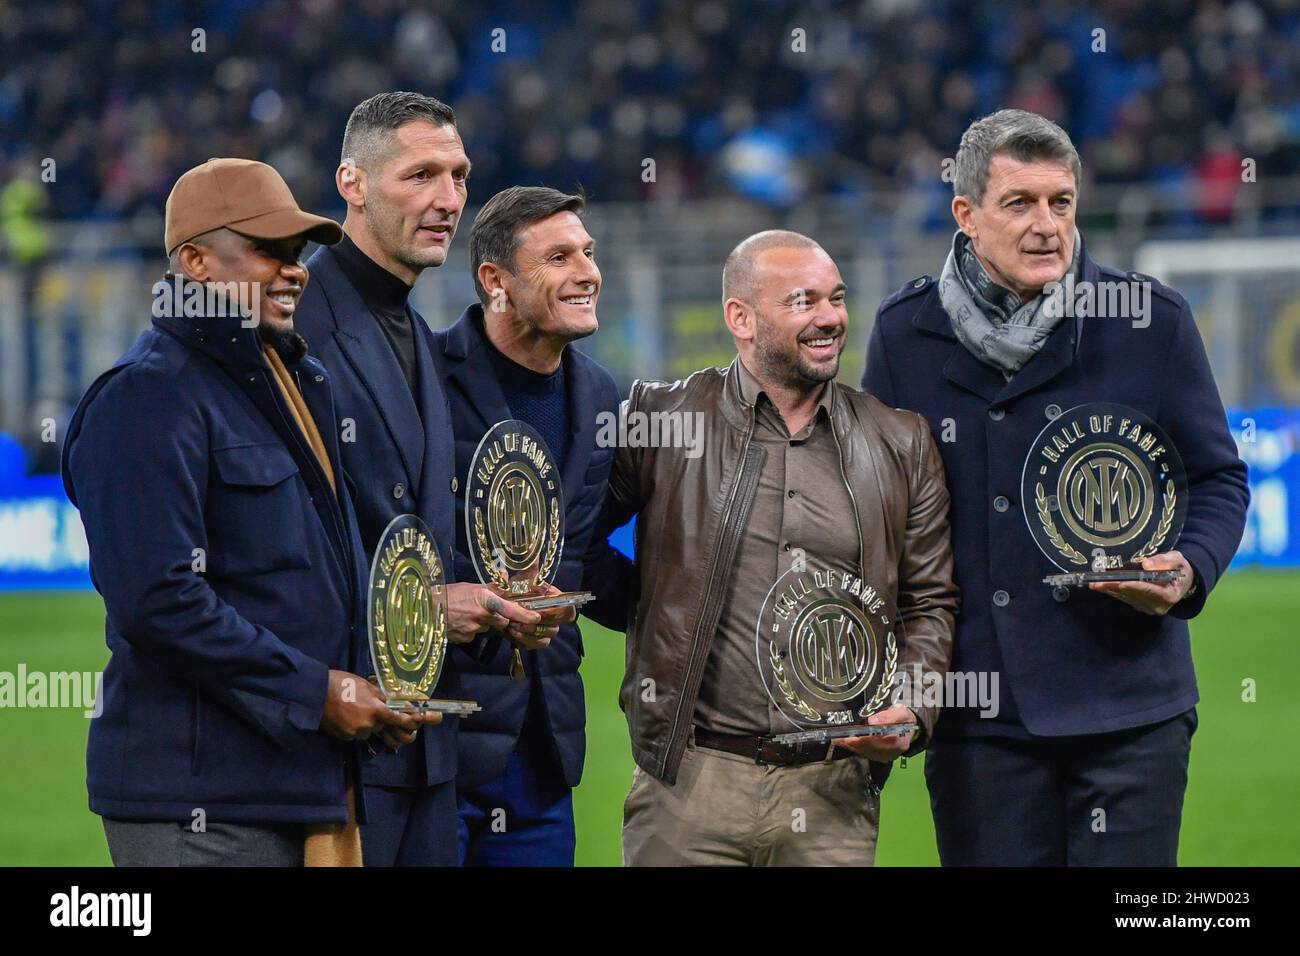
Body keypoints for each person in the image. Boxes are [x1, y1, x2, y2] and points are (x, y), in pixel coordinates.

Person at [862, 109, 1250, 865]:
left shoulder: (1149, 321)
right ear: (966, 215)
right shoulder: (905, 333)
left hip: (1132, 711)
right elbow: (880, 516)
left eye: (1061, 202)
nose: (1047, 226)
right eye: (1020, 204)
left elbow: (1217, 478)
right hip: (981, 719)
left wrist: (1192, 567)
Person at [62, 158, 430, 867]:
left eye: (298, 254)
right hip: (199, 805)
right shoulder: (147, 396)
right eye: (269, 251)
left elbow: (319, 578)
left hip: (300, 783)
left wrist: (367, 685)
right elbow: (159, 601)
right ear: (196, 262)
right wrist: (317, 691)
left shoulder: (296, 381)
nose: (296, 271)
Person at [605, 229, 958, 866]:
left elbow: (930, 603)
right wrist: (641, 603)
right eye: (802, 301)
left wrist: (913, 701)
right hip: (689, 785)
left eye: (836, 298)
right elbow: (572, 537)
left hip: (833, 791)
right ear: (740, 318)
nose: (829, 318)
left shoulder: (902, 442)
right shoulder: (659, 422)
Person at [295, 91, 545, 867]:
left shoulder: (412, 326)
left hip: (422, 745)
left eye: (460, 175)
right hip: (339, 751)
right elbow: (282, 544)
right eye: (421, 176)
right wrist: (426, 605)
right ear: (352, 184)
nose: (448, 200)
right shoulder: (298, 325)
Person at [430, 186, 627, 866]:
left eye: (589, 253)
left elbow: (588, 555)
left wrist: (691, 611)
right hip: (434, 748)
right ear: (496, 282)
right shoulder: (423, 378)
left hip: (543, 754)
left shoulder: (603, 396)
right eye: (559, 257)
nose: (587, 272)